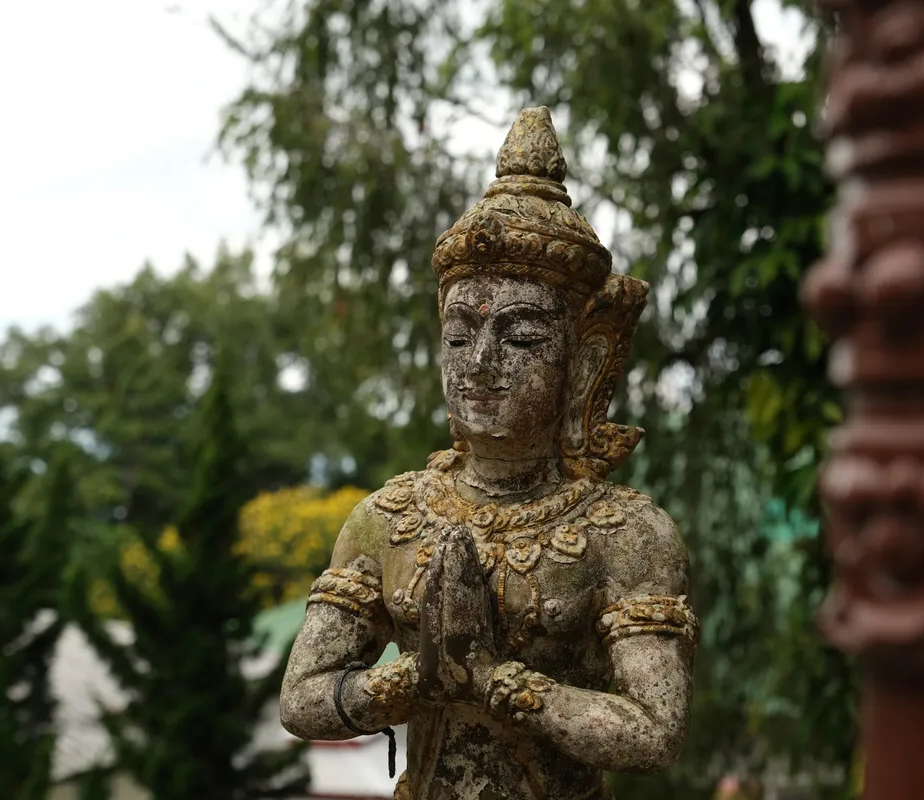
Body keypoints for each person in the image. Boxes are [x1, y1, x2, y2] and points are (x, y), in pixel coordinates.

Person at [280, 107, 698, 800]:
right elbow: (302, 700)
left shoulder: (627, 534)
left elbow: (655, 730)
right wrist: (414, 679)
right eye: (458, 337)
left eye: (521, 338)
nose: (479, 363)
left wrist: (495, 681)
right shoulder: (387, 519)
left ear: (584, 362)